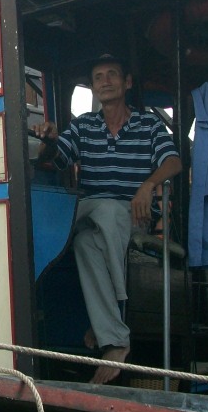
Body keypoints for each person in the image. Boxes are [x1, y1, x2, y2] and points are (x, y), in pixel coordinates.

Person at [33, 54, 182, 384]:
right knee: (97, 211)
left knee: (89, 241)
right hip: (90, 210)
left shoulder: (149, 125)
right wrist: (50, 141)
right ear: (94, 86)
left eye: (112, 74)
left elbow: (173, 163)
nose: (105, 80)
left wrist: (148, 185)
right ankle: (114, 314)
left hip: (131, 216)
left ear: (126, 82)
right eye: (98, 76)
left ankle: (112, 338)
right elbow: (56, 158)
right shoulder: (84, 125)